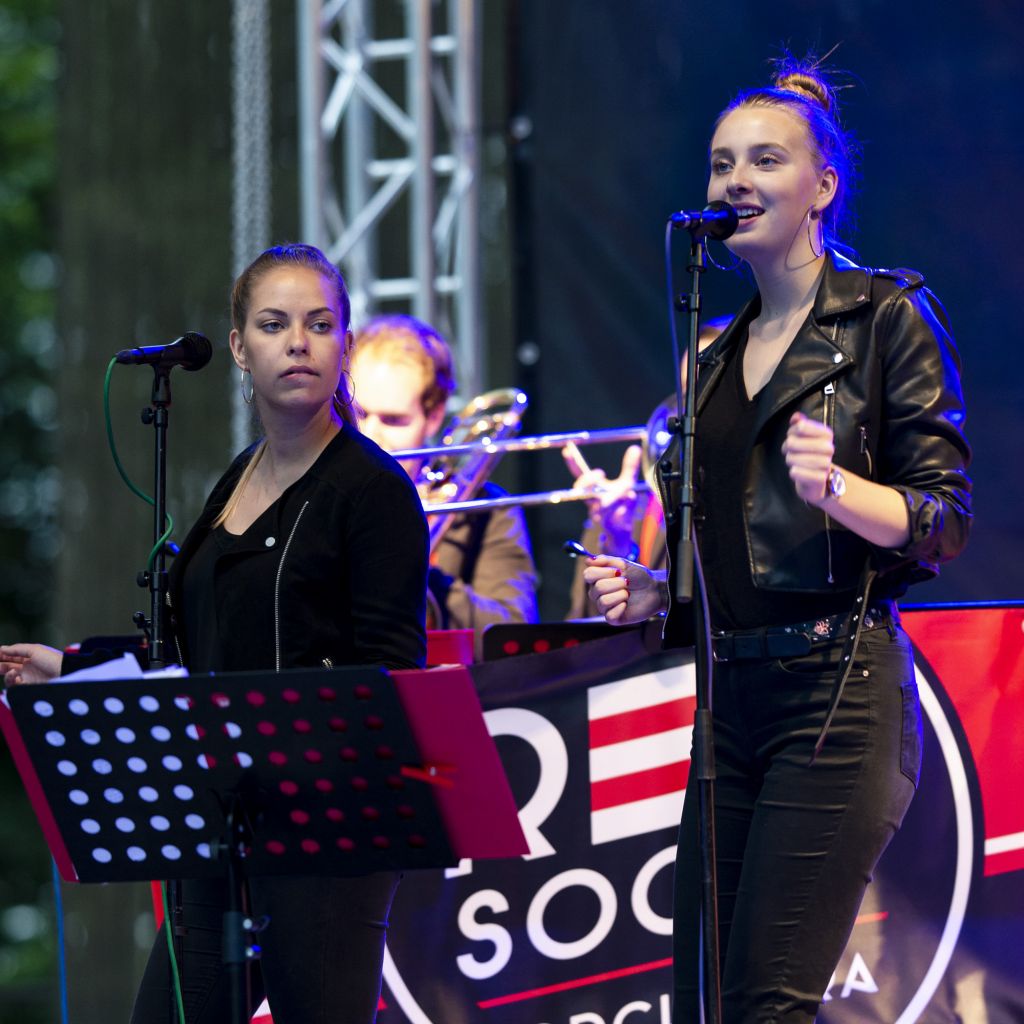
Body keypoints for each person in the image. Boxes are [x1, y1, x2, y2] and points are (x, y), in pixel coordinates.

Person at [583, 59, 971, 1023]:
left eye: (765, 160)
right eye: (721, 164)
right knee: (706, 998)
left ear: (822, 187)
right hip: (729, 703)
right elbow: (732, 548)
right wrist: (657, 589)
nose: (734, 182)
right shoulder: (711, 358)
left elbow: (944, 518)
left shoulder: (885, 316)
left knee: (767, 1000)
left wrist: (839, 488)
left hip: (836, 693)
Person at [2, 243, 429, 1023]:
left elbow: (391, 677)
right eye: (274, 324)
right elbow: (197, 653)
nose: (297, 343)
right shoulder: (237, 476)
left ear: (344, 345)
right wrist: (73, 667)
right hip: (224, 819)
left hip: (325, 833)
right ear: (238, 347)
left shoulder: (372, 490)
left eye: (319, 324)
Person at [350, 314, 538, 636]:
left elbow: (514, 629)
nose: (369, 435)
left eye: (393, 420)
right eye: (359, 413)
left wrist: (419, 572)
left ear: (434, 416)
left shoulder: (486, 509)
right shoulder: (319, 493)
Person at [564, 316, 731, 620]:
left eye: (709, 389)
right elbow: (584, 620)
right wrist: (616, 540)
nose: (690, 410)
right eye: (686, 392)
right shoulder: (643, 497)